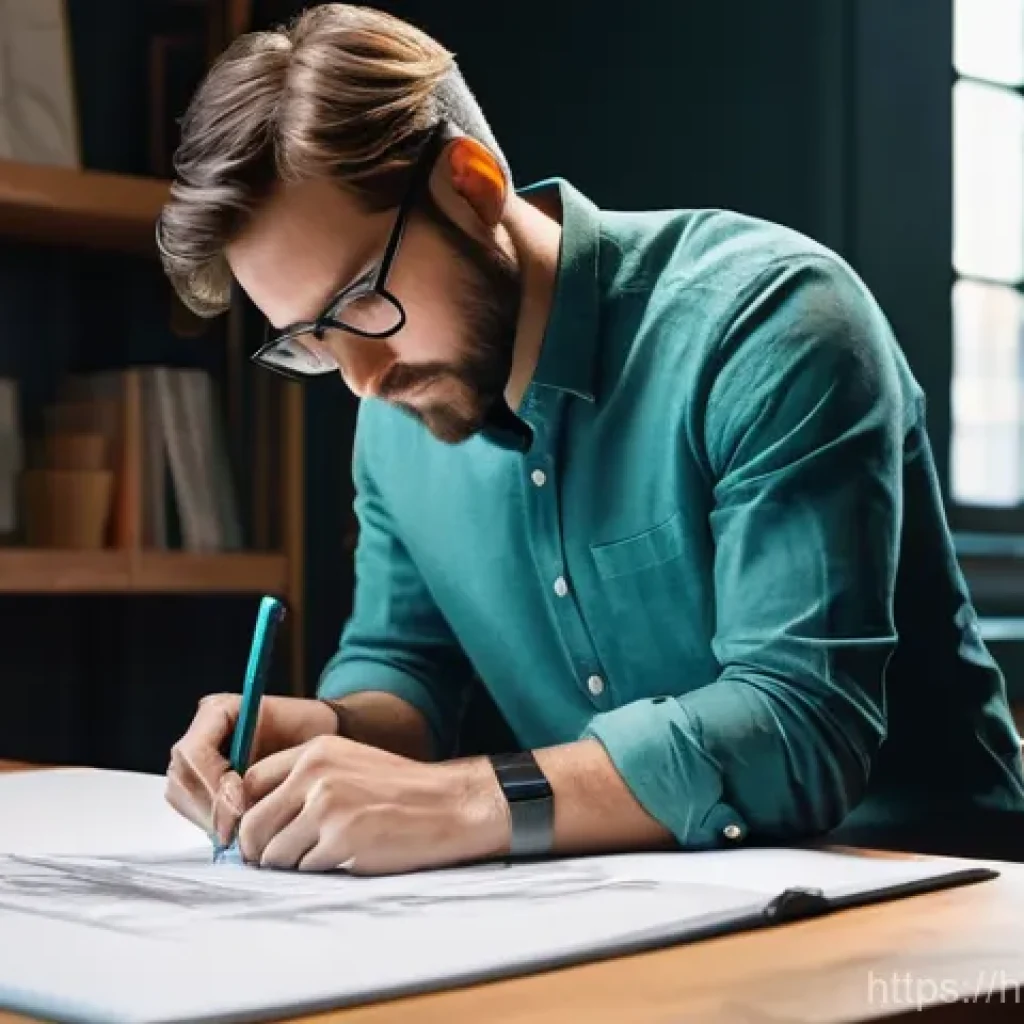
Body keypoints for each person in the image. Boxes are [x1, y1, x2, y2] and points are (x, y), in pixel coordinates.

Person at [158, 3, 1024, 875]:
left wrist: (463, 799)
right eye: (309, 338)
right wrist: (331, 732)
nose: (359, 378)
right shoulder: (395, 416)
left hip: (928, 893)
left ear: (470, 185)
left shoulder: (772, 324)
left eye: (358, 306)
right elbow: (404, 661)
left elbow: (800, 726)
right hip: (643, 904)